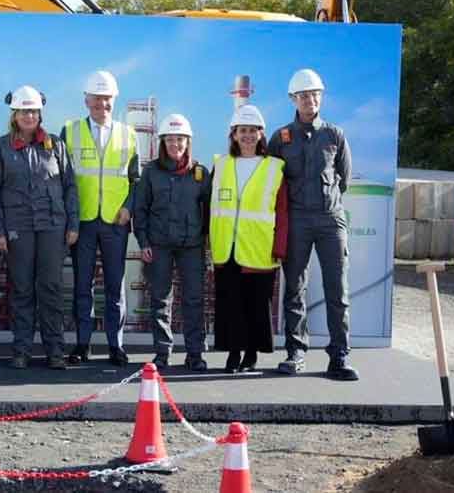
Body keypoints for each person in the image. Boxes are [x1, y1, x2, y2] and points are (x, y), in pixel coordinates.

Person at [267, 68, 357, 380]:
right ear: (293, 99)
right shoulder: (281, 137)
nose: (310, 100)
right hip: (296, 220)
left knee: (337, 289)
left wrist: (327, 203)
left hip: (331, 219)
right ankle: (296, 352)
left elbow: (343, 179)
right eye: (304, 95)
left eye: (315, 94)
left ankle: (339, 356)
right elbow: (271, 181)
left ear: (321, 97)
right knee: (295, 288)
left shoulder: (334, 135)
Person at [0, 86, 78, 370]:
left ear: (40, 113)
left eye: (34, 111)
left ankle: (55, 351)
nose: (29, 116)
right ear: (14, 114)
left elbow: (70, 187)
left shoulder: (55, 145)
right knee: (22, 290)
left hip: (52, 227)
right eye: (24, 111)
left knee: (51, 289)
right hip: (18, 229)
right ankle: (21, 350)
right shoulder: (1, 148)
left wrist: (73, 224)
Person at [61, 70, 139, 367]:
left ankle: (115, 345)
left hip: (115, 221)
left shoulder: (128, 134)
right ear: (86, 100)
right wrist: (71, 218)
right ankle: (82, 344)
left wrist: (128, 208)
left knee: (114, 286)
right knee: (83, 285)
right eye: (96, 98)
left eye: (107, 98)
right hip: (82, 221)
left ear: (114, 100)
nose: (101, 104)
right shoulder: (70, 131)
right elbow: (64, 180)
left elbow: (136, 181)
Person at [209, 105, 288, 373]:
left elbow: (283, 211)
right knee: (230, 304)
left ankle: (251, 353)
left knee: (256, 304)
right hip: (226, 248)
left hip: (259, 248)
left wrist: (280, 247)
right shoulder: (221, 165)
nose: (248, 136)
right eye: (242, 130)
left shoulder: (275, 167)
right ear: (233, 134)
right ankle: (233, 354)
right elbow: (208, 205)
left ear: (261, 134)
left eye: (253, 131)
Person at [133, 113, 211, 371]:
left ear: (188, 142)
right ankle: (162, 352)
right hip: (159, 244)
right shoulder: (151, 172)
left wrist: (207, 243)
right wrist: (143, 241)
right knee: (160, 299)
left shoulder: (200, 173)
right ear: (162, 142)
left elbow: (210, 211)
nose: (175, 144)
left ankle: (195, 353)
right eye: (170, 140)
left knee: (193, 300)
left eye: (180, 139)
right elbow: (141, 209)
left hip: (192, 246)